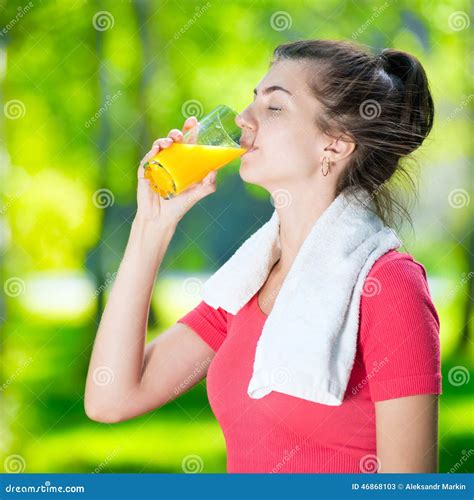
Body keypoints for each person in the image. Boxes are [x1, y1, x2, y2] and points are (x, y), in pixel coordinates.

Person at [84, 39, 441, 473]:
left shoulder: (389, 285)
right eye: (253, 99)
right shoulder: (248, 283)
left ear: (335, 144)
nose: (242, 117)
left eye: (274, 107)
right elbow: (110, 399)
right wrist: (151, 226)